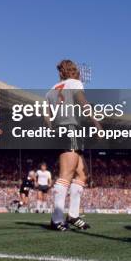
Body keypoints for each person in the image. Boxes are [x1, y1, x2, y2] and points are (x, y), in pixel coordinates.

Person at [45, 60, 102, 231]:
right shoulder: (75, 83)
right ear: (73, 70)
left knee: (82, 174)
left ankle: (73, 216)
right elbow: (81, 100)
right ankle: (56, 219)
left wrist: (53, 129)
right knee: (66, 175)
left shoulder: (51, 90)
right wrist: (95, 121)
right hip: (71, 128)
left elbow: (46, 114)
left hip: (62, 129)